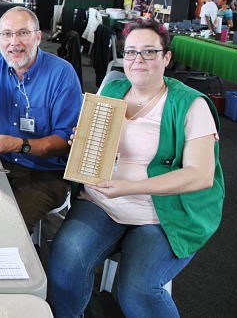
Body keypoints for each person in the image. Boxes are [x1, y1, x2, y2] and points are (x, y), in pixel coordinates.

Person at [48, 19, 224, 318]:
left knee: (138, 290)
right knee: (65, 266)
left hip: (163, 213)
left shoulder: (190, 104)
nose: (137, 60)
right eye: (130, 52)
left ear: (166, 58)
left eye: (148, 52)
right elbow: (96, 147)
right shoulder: (113, 90)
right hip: (102, 202)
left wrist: (130, 187)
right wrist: (84, 141)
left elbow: (201, 174)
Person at [0, 6, 83, 231]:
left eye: (23, 33)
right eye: (6, 34)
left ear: (38, 37)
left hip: (44, 172)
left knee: (9, 228)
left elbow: (64, 142)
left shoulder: (62, 74)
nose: (14, 42)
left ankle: (20, 263)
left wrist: (18, 144)